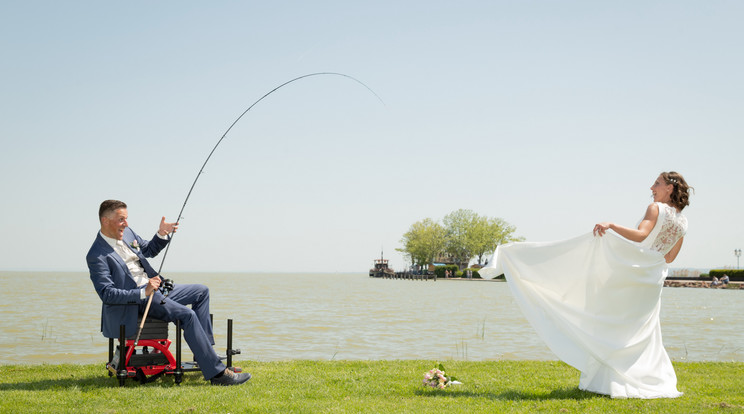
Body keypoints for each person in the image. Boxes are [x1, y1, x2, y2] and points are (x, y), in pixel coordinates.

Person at [480, 171, 693, 399]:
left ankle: (611, 380)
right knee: (639, 329)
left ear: (669, 188)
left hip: (633, 275)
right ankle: (641, 379)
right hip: (651, 279)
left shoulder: (655, 209)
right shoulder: (683, 221)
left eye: (657, 183)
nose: (651, 187)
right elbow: (669, 257)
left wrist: (611, 225)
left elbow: (641, 235)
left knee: (614, 322)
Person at [86, 200, 251, 386]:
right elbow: (107, 294)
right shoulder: (96, 254)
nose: (126, 224)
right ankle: (218, 375)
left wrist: (161, 234)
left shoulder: (127, 233)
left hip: (157, 287)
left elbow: (148, 249)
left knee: (201, 291)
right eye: (121, 219)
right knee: (187, 315)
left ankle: (204, 355)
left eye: (126, 219)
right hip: (139, 298)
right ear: (105, 220)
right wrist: (143, 292)